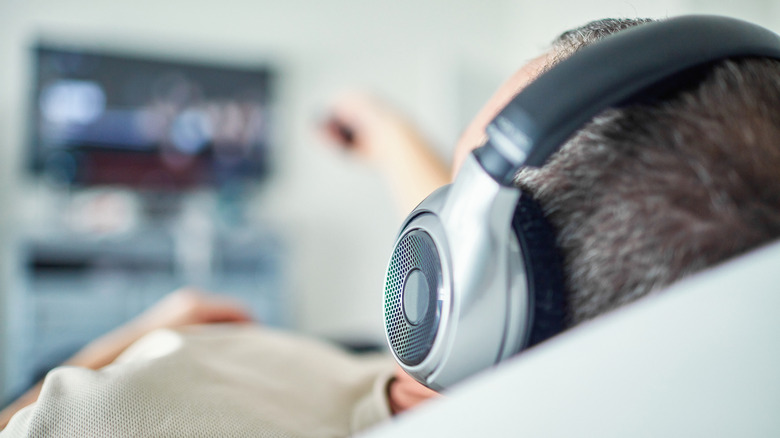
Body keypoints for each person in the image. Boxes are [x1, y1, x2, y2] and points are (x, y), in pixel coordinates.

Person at [3, 16, 780, 436]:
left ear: (473, 306)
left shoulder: (111, 414)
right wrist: (380, 128)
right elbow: (507, 242)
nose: (430, 222)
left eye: (452, 199)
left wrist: (107, 348)